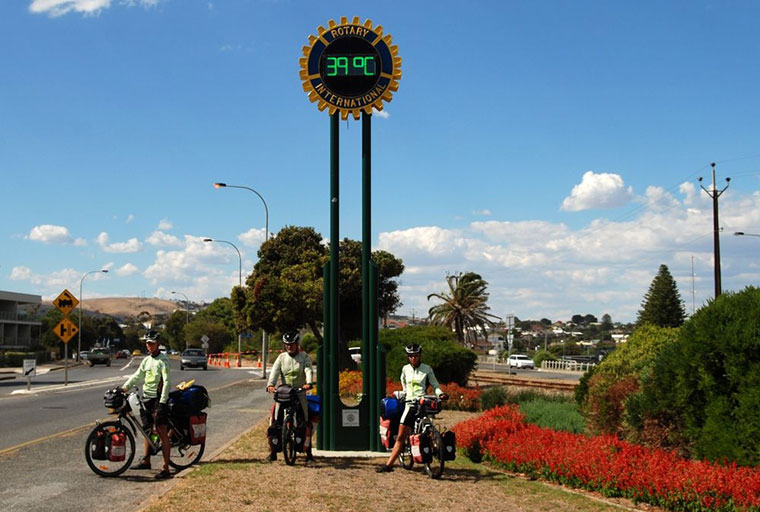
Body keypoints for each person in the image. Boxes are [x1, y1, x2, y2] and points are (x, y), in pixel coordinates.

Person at [376, 343, 447, 473]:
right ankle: (388, 465)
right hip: (410, 404)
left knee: (429, 430)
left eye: (416, 356)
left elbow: (435, 385)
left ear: (420, 356)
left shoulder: (427, 369)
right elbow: (404, 383)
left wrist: (440, 394)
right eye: (410, 356)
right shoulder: (405, 369)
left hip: (423, 402)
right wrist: (405, 393)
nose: (413, 358)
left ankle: (431, 454)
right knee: (401, 437)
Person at [123, 330, 172, 479]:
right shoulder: (147, 360)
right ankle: (146, 460)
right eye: (147, 343)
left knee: (161, 430)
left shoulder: (163, 361)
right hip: (147, 398)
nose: (149, 346)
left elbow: (167, 382)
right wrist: (124, 387)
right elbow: (137, 376)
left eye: (151, 343)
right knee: (147, 430)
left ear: (158, 344)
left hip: (158, 399)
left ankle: (166, 468)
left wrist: (163, 402)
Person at [266, 331, 314, 462]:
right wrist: (271, 385)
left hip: (299, 393)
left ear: (297, 344)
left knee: (305, 419)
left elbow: (308, 370)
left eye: (291, 344)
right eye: (286, 344)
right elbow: (275, 371)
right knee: (274, 420)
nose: (289, 347)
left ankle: (308, 451)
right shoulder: (281, 357)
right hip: (284, 393)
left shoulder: (304, 357)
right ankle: (273, 452)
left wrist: (308, 383)